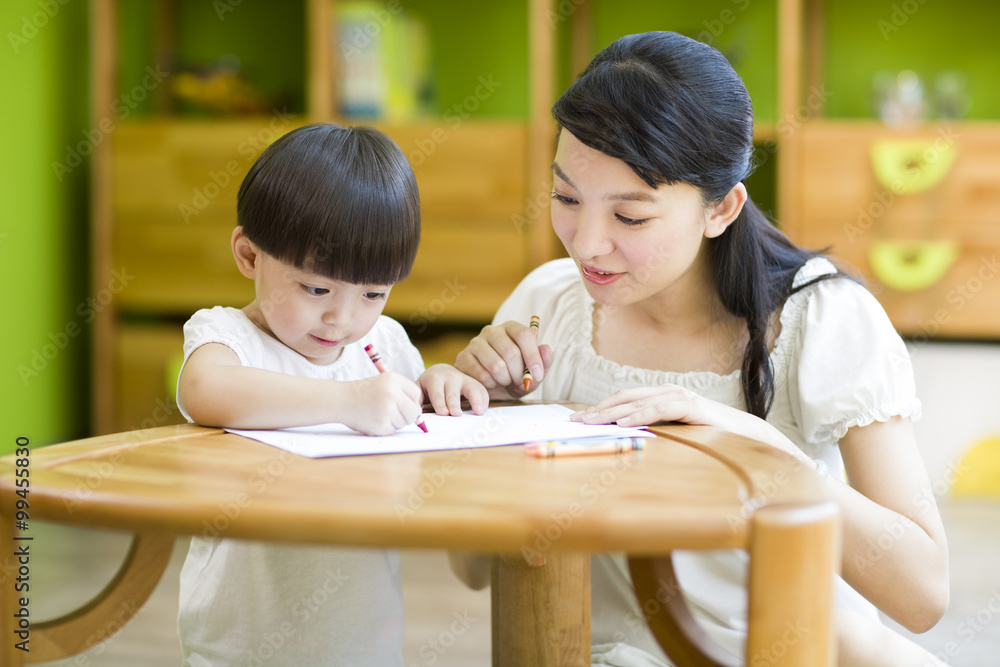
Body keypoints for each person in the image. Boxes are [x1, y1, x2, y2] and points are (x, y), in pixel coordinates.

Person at [452, 32, 949, 666]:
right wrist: (480, 423)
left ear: (722, 209)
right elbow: (471, 570)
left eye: (630, 217)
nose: (585, 244)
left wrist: (762, 452)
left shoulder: (818, 319)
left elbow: (923, 593)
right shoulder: (545, 306)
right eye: (566, 198)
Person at [174, 122, 487, 666]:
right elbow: (207, 388)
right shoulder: (228, 336)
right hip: (240, 641)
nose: (343, 318)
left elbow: (408, 408)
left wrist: (437, 382)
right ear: (249, 256)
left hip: (362, 638)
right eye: (316, 288)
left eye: (373, 293)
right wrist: (347, 402)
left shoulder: (382, 342)